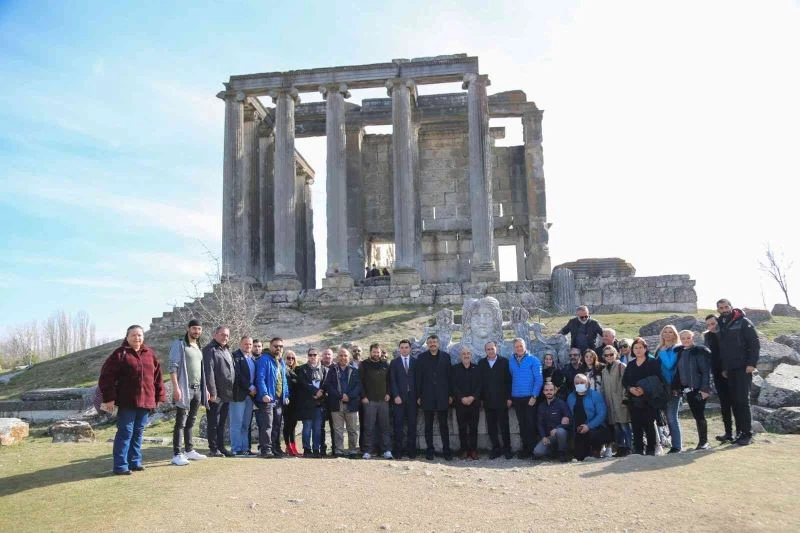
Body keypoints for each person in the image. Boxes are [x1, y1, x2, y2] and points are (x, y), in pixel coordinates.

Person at [98, 325, 166, 475]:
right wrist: (109, 398)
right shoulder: (119, 354)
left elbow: (158, 378)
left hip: (145, 402)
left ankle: (135, 462)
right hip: (126, 402)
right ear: (127, 337)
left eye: (140, 335)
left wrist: (160, 396)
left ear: (143, 337)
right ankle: (121, 466)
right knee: (125, 432)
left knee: (138, 433)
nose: (137, 338)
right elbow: (106, 377)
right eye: (133, 335)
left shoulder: (150, 354)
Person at [716, 299, 760, 446]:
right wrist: (724, 368)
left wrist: (752, 364)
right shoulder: (721, 324)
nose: (724, 310)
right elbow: (723, 349)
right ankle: (740, 433)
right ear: (718, 310)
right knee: (735, 401)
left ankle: (748, 434)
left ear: (731, 307)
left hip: (743, 367)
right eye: (721, 308)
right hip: (730, 369)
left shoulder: (743, 322)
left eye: (726, 307)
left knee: (742, 401)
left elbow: (754, 343)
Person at [168, 319, 208, 466]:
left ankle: (189, 450)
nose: (197, 331)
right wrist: (176, 387)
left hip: (197, 389)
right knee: (181, 422)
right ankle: (177, 454)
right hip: (185, 388)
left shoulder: (198, 346)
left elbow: (200, 370)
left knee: (191, 421)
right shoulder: (179, 344)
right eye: (194, 328)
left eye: (199, 329)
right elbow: (172, 367)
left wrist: (205, 389)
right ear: (188, 329)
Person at [622, 337, 664, 456]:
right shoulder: (631, 364)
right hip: (634, 399)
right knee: (636, 425)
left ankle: (651, 449)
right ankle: (638, 449)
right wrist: (630, 389)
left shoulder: (652, 362)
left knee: (649, 424)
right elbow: (625, 380)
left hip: (649, 399)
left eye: (640, 347)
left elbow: (658, 379)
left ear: (645, 348)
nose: (638, 350)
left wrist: (643, 390)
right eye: (635, 348)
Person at [416, 334, 453, 461]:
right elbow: (419, 378)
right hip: (427, 396)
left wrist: (450, 395)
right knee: (428, 426)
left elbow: (449, 377)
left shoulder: (446, 357)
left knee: (444, 425)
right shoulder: (421, 358)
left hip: (443, 396)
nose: (432, 344)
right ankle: (430, 450)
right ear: (427, 344)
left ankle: (446, 450)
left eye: (434, 342)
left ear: (438, 343)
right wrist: (419, 395)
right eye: (430, 342)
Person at [673, 330, 712, 450]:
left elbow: (705, 371)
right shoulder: (679, 352)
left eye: (688, 338)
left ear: (692, 338)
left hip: (699, 389)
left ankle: (704, 442)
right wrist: (677, 387)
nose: (686, 340)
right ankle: (701, 441)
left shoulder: (699, 351)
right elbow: (679, 372)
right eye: (683, 338)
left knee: (700, 415)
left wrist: (704, 389)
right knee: (696, 414)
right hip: (687, 390)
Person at [254, 337, 290, 458]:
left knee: (277, 425)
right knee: (267, 425)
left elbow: (284, 380)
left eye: (280, 346)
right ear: (270, 346)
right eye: (276, 346)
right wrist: (264, 394)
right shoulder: (264, 359)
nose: (278, 348)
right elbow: (260, 378)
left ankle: (275, 448)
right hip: (268, 399)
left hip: (279, 399)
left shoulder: (281, 361)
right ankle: (266, 449)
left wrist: (286, 395)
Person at [508, 338, 543, 459]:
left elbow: (539, 380)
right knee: (522, 424)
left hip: (530, 397)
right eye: (516, 346)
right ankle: (525, 449)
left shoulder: (534, 360)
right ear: (514, 348)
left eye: (521, 346)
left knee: (530, 424)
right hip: (517, 397)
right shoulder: (511, 360)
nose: (519, 348)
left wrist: (534, 395)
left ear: (525, 346)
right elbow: (512, 376)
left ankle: (534, 450)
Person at [203, 326, 235, 457]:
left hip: (227, 393)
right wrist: (212, 392)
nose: (225, 337)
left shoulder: (227, 350)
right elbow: (208, 372)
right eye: (222, 334)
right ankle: (213, 448)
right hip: (215, 393)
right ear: (215, 335)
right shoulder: (209, 349)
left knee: (222, 423)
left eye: (227, 335)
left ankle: (221, 447)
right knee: (213, 422)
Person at [478, 341, 513, 459]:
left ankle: (507, 449)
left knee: (504, 427)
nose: (490, 351)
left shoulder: (504, 362)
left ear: (496, 348)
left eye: (492, 348)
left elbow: (509, 381)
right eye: (488, 349)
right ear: (485, 351)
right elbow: (480, 383)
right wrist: (481, 399)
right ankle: (496, 449)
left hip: (502, 401)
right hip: (488, 401)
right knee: (491, 427)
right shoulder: (482, 363)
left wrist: (509, 398)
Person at [323, 347, 361, 456]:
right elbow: (329, 386)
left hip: (351, 404)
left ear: (349, 357)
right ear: (337, 357)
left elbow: (358, 386)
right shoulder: (332, 370)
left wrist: (349, 396)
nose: (343, 358)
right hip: (336, 404)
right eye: (341, 355)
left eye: (345, 355)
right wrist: (340, 396)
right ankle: (339, 450)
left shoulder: (355, 370)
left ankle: (352, 450)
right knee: (338, 430)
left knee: (352, 429)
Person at [704, 315, 735, 442]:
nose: (711, 326)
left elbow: (730, 353)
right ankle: (728, 433)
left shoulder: (727, 332)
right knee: (724, 404)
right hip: (717, 374)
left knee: (737, 402)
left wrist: (726, 369)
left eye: (713, 323)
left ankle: (742, 431)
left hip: (731, 372)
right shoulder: (707, 336)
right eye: (708, 325)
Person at [360, 343, 393, 459]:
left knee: (385, 426)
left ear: (380, 352)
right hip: (369, 401)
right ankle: (367, 451)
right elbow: (360, 382)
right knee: (369, 427)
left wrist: (388, 393)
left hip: (383, 400)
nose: (376, 354)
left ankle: (386, 450)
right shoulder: (364, 364)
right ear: (370, 352)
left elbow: (390, 381)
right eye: (374, 352)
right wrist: (363, 396)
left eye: (378, 352)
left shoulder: (385, 364)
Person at [567, 373, 610, 461]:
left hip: (594, 428)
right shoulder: (570, 397)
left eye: (582, 382)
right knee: (579, 457)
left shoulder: (595, 395)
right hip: (578, 429)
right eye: (577, 383)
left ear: (587, 383)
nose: (579, 384)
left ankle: (596, 451)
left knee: (594, 434)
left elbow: (601, 414)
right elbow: (569, 414)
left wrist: (588, 426)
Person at [655, 325, 682, 453]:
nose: (667, 334)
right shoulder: (659, 348)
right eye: (665, 332)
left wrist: (663, 351)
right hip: (661, 388)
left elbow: (670, 365)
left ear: (675, 335)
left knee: (671, 417)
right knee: (665, 417)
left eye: (670, 332)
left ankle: (677, 446)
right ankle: (669, 442)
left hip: (673, 387)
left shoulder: (677, 348)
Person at [600, 345, 632, 457]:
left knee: (624, 425)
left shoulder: (621, 366)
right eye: (606, 355)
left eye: (611, 354)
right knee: (616, 427)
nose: (609, 357)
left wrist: (624, 398)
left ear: (616, 354)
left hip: (620, 401)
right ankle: (621, 448)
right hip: (610, 403)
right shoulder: (604, 370)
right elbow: (603, 387)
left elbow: (626, 383)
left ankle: (629, 447)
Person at [389, 339, 418, 459]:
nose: (404, 349)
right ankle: (398, 451)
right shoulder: (394, 363)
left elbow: (419, 380)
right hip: (399, 399)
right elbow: (392, 380)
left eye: (406, 347)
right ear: (399, 349)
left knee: (412, 425)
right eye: (402, 347)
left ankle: (411, 451)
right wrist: (396, 396)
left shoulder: (415, 362)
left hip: (413, 399)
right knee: (398, 425)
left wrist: (419, 397)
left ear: (410, 349)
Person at [295, 347, 326, 457]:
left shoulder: (323, 369)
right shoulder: (302, 369)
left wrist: (321, 392)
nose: (312, 357)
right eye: (310, 355)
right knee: (307, 427)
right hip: (307, 402)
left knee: (317, 428)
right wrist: (315, 392)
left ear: (318, 356)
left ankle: (316, 449)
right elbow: (303, 383)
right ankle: (307, 449)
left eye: (314, 355)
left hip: (319, 403)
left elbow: (325, 384)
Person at [451, 347, 482, 459]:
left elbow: (480, 385)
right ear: (460, 356)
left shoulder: (477, 369)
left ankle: (473, 450)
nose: (466, 355)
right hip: (460, 403)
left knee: (474, 428)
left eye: (468, 353)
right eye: (464, 354)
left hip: (474, 403)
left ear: (471, 356)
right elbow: (453, 385)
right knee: (462, 427)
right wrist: (461, 398)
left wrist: (473, 397)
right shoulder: (455, 369)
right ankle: (464, 450)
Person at [230, 336, 257, 456]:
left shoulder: (252, 358)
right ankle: (236, 448)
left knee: (246, 424)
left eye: (250, 344)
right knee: (237, 423)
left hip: (250, 396)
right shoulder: (235, 356)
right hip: (238, 395)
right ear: (240, 344)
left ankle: (245, 448)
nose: (248, 346)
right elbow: (238, 375)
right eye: (246, 344)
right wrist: (250, 387)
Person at [533, 381, 570, 462]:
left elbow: (568, 421)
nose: (549, 392)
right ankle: (552, 452)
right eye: (546, 390)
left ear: (555, 391)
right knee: (537, 452)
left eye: (551, 390)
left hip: (560, 435)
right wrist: (543, 437)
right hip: (549, 437)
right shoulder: (541, 406)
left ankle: (562, 453)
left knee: (560, 431)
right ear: (543, 392)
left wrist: (557, 428)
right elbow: (539, 423)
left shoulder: (561, 404)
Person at [283, 350, 300, 456]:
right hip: (287, 401)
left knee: (293, 425)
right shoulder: (283, 369)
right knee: (287, 424)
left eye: (292, 358)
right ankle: (288, 446)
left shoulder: (296, 370)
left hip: (295, 401)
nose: (290, 360)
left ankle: (293, 447)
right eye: (288, 358)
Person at [319, 348, 335, 456]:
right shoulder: (317, 367)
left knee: (335, 427)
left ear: (332, 356)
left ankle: (335, 448)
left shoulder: (336, 367)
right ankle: (322, 449)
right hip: (321, 402)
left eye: (329, 354)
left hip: (334, 401)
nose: (327, 356)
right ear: (322, 356)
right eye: (325, 354)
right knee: (320, 427)